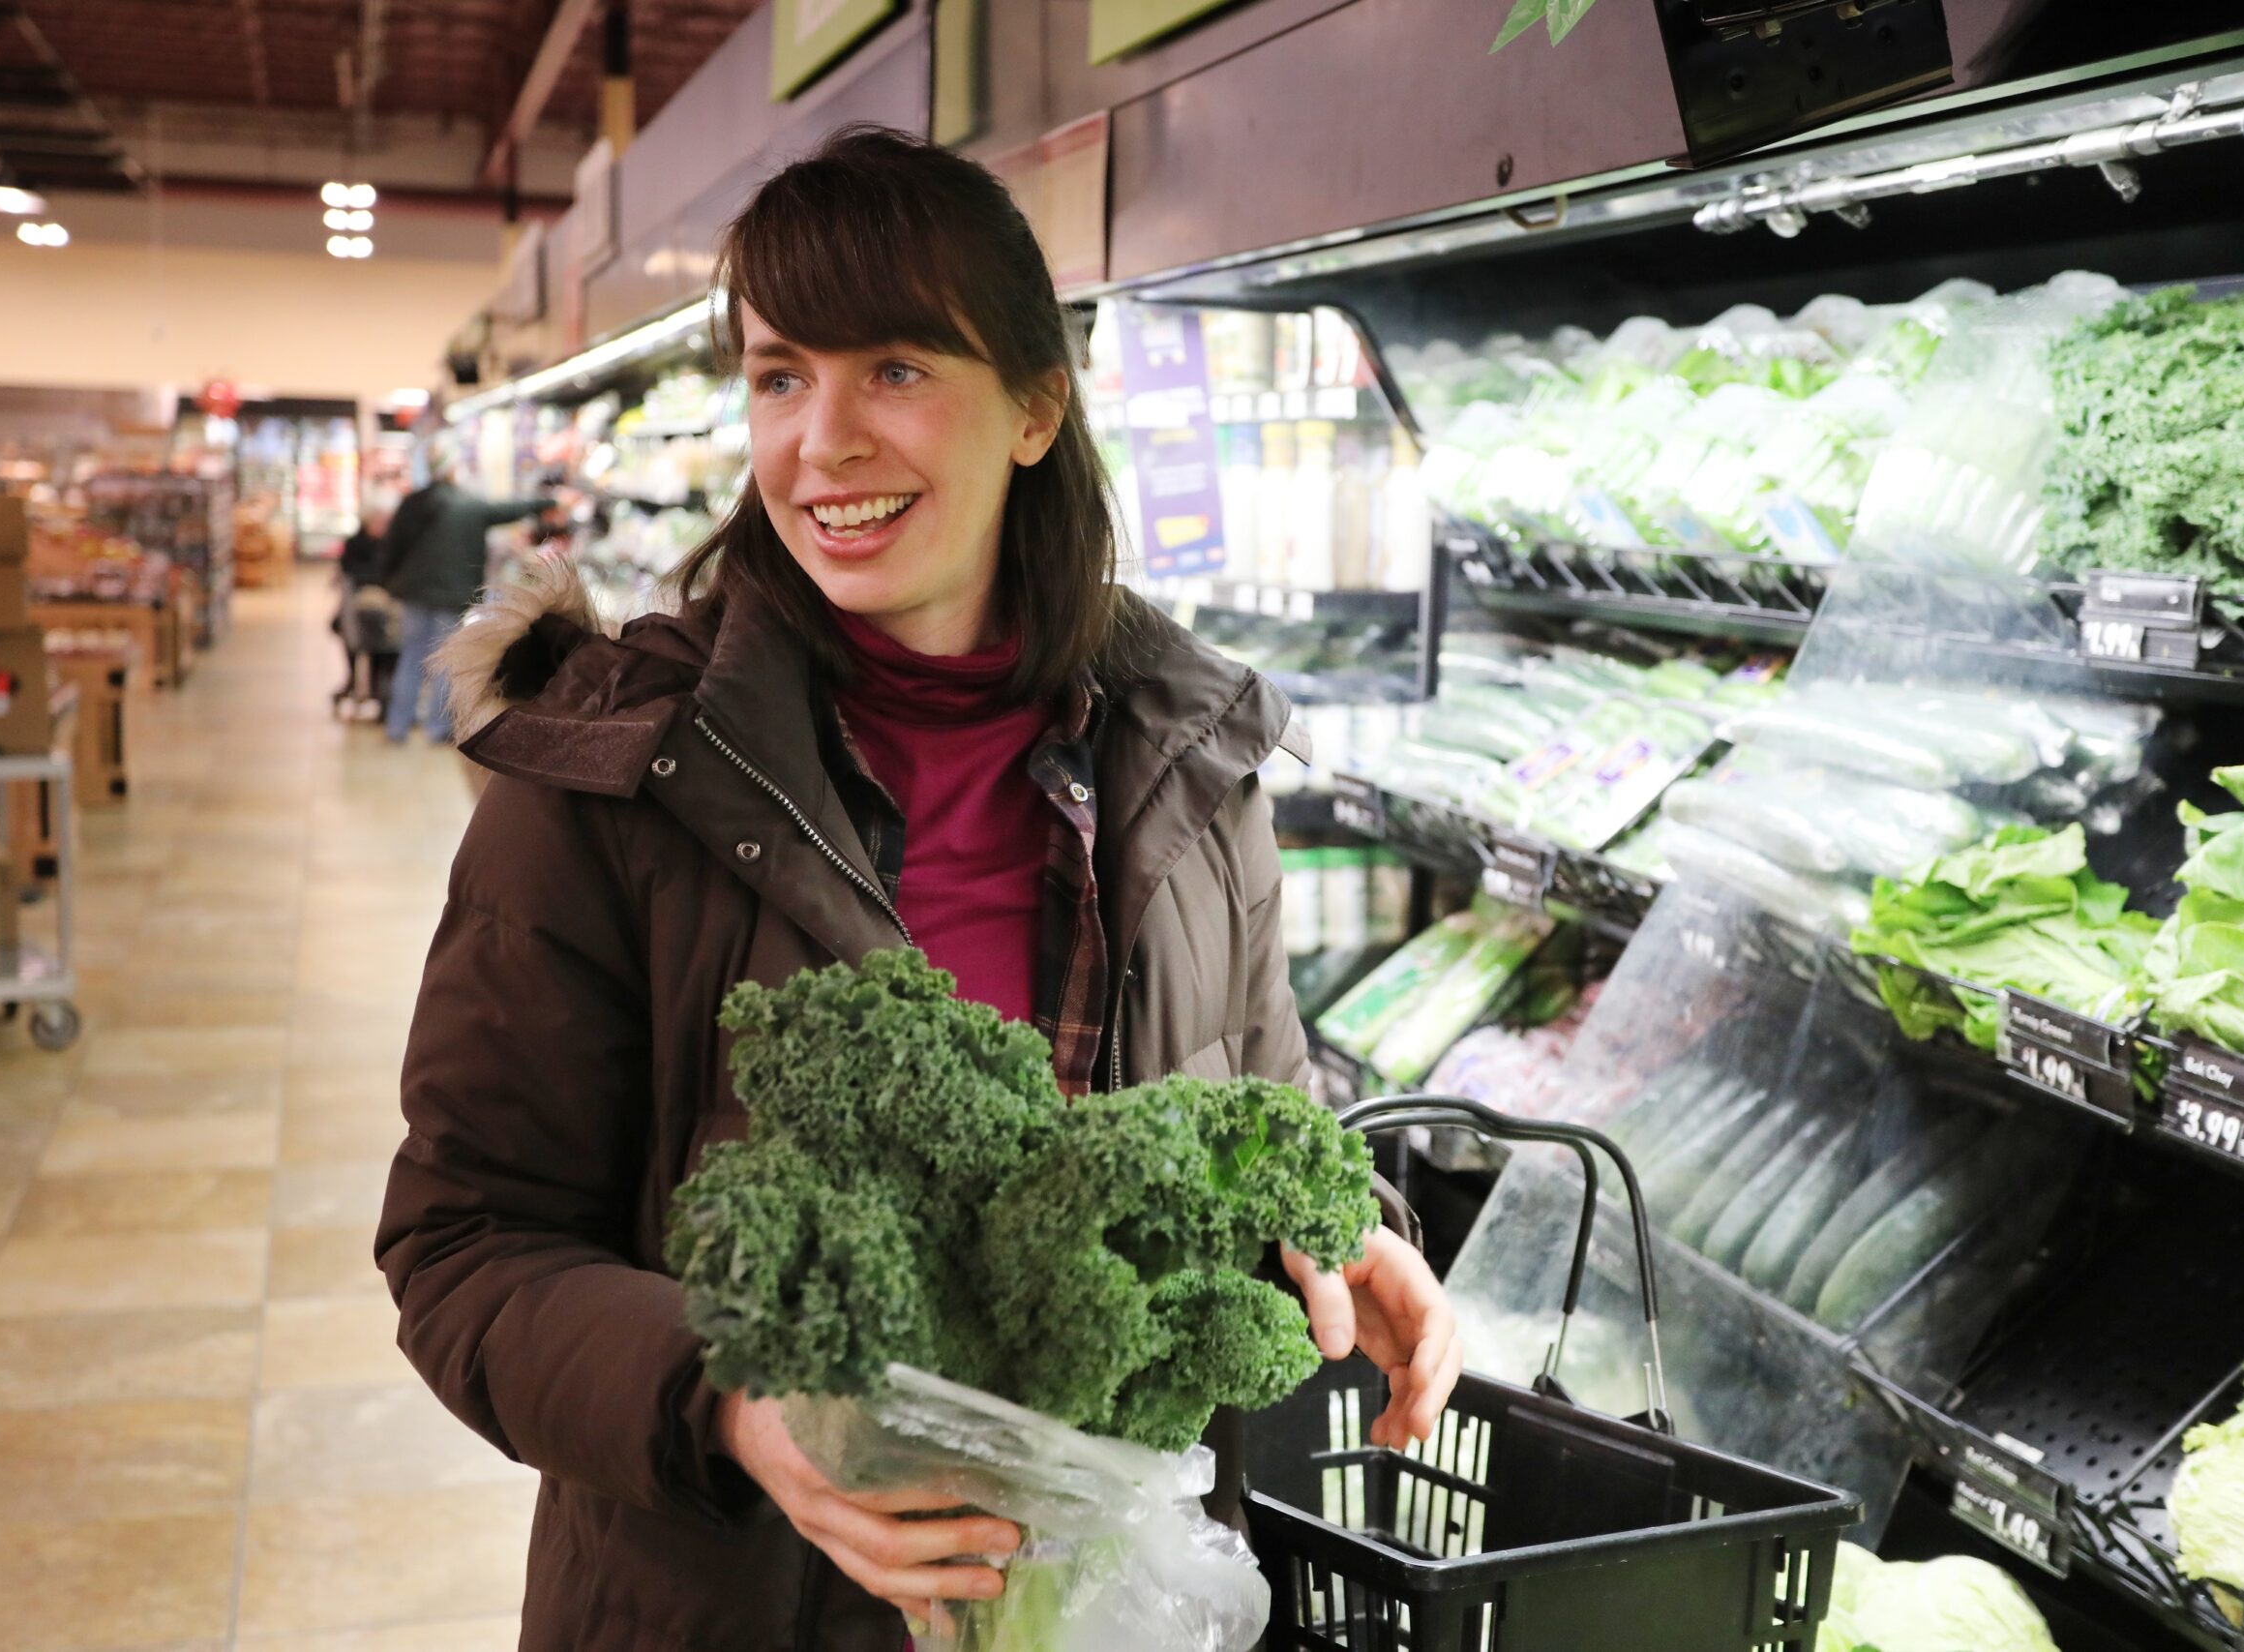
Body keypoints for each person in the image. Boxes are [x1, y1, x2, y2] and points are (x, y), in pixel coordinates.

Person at [376, 126, 1460, 1652]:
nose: (821, 441)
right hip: (729, 1604)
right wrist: (736, 1399)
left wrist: (1346, 1223)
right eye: (778, 375)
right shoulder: (612, 781)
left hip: (1100, 1599)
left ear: (1034, 406)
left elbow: (1254, 1107)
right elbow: (465, 1247)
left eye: (894, 368)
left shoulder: (1192, 757)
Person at [375, 445, 559, 742]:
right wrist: (550, 500)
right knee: (448, 661)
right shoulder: (470, 506)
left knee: (411, 657)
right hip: (452, 595)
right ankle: (437, 729)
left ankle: (397, 726)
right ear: (453, 470)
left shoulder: (413, 503)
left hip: (415, 593)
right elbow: (508, 510)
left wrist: (389, 581)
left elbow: (392, 544)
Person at [333, 493, 403, 719]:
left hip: (386, 607)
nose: (384, 526)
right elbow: (351, 573)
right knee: (374, 624)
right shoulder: (355, 544)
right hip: (361, 611)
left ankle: (382, 690)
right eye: (380, 520)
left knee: (391, 630)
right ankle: (372, 688)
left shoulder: (393, 544)